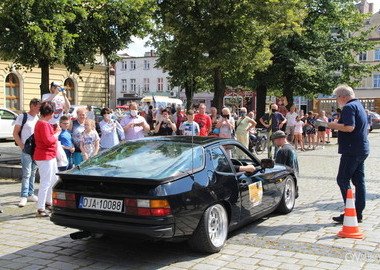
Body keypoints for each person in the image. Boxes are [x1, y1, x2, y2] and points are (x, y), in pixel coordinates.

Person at [328, 85, 369, 224]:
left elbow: (349, 127)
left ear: (342, 96)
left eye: (337, 97)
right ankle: (358, 212)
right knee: (359, 181)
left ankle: (351, 211)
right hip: (361, 148)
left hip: (351, 150)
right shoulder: (359, 105)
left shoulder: (349, 107)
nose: (336, 100)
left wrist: (332, 125)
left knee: (342, 179)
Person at [34, 101, 60, 217]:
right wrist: (57, 133)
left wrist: (53, 131)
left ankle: (48, 202)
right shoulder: (43, 124)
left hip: (49, 155)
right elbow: (48, 140)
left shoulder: (43, 123)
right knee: (45, 182)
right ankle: (40, 208)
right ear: (50, 112)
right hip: (45, 156)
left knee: (53, 180)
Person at [13, 98, 41, 207]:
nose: (40, 109)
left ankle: (30, 193)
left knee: (33, 172)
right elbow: (15, 133)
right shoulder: (22, 117)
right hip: (26, 149)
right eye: (38, 107)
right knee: (26, 173)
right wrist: (21, 146)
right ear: (32, 106)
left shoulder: (38, 118)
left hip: (36, 149)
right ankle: (23, 196)